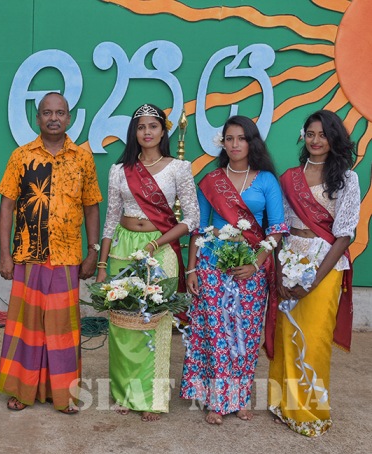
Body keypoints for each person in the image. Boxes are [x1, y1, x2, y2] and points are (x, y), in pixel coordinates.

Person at [0, 92, 103, 414]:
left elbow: (92, 208)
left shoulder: (82, 159)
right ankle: (23, 390)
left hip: (67, 257)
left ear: (68, 117)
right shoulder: (21, 156)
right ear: (38, 118)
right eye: (47, 112)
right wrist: (4, 255)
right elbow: (6, 207)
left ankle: (64, 395)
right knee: (27, 328)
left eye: (59, 112)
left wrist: (93, 252)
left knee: (62, 332)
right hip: (28, 255)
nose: (53, 118)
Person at [179, 115, 288, 425]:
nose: (235, 144)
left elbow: (277, 229)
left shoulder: (266, 180)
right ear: (222, 143)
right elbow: (199, 229)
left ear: (252, 143)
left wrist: (255, 263)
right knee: (215, 334)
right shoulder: (211, 181)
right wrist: (191, 270)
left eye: (241, 138)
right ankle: (216, 400)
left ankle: (239, 398)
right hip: (212, 266)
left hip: (250, 270)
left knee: (245, 335)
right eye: (229, 138)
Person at [96, 104, 199, 421]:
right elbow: (111, 219)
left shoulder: (178, 168)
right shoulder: (119, 170)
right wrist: (102, 264)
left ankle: (151, 399)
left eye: (153, 126)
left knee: (153, 324)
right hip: (123, 250)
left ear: (162, 131)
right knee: (123, 323)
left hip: (160, 250)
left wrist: (157, 242)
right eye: (141, 127)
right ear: (134, 132)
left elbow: (192, 219)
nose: (147, 132)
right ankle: (125, 394)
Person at [268, 110, 360, 437]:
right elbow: (279, 226)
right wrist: (279, 271)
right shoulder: (289, 178)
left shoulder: (347, 179)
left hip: (326, 263)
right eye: (310, 134)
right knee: (287, 336)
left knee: (315, 338)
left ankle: (309, 412)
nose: (316, 140)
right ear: (303, 136)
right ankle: (282, 405)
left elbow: (345, 234)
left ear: (334, 138)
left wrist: (314, 279)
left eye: (323, 135)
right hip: (289, 255)